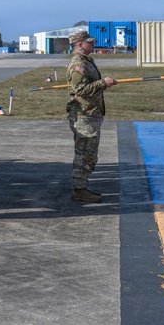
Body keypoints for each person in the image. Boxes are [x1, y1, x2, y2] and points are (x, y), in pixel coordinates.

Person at [66, 30, 117, 203]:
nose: (93, 44)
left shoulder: (86, 61)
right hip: (84, 115)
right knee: (85, 154)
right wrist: (103, 83)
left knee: (89, 154)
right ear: (80, 45)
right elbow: (79, 89)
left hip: (90, 113)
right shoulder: (78, 64)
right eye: (90, 42)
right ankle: (79, 189)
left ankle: (81, 186)